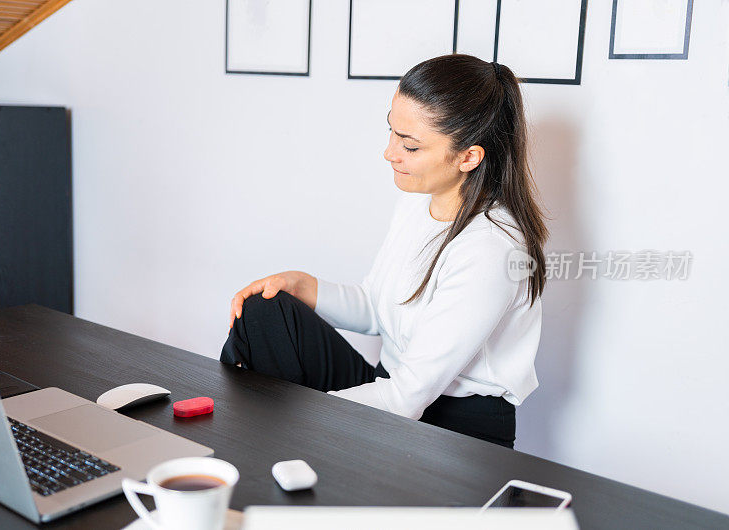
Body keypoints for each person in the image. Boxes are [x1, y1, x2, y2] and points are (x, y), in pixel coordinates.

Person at [220, 54, 548, 449]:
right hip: (387, 389)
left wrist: (295, 420)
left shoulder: (491, 250)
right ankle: (250, 438)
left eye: (409, 145)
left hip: (454, 433)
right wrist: (302, 286)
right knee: (265, 308)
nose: (390, 152)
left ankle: (256, 444)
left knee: (274, 426)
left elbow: (406, 398)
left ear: (469, 156)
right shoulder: (419, 199)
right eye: (392, 132)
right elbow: (379, 309)